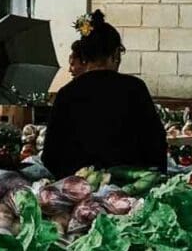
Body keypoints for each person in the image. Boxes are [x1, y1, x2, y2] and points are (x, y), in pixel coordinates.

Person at [42, 10, 167, 179]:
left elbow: (50, 155)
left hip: (78, 196)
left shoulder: (67, 93)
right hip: (128, 194)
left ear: (84, 56)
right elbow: (156, 145)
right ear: (115, 54)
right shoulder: (134, 89)